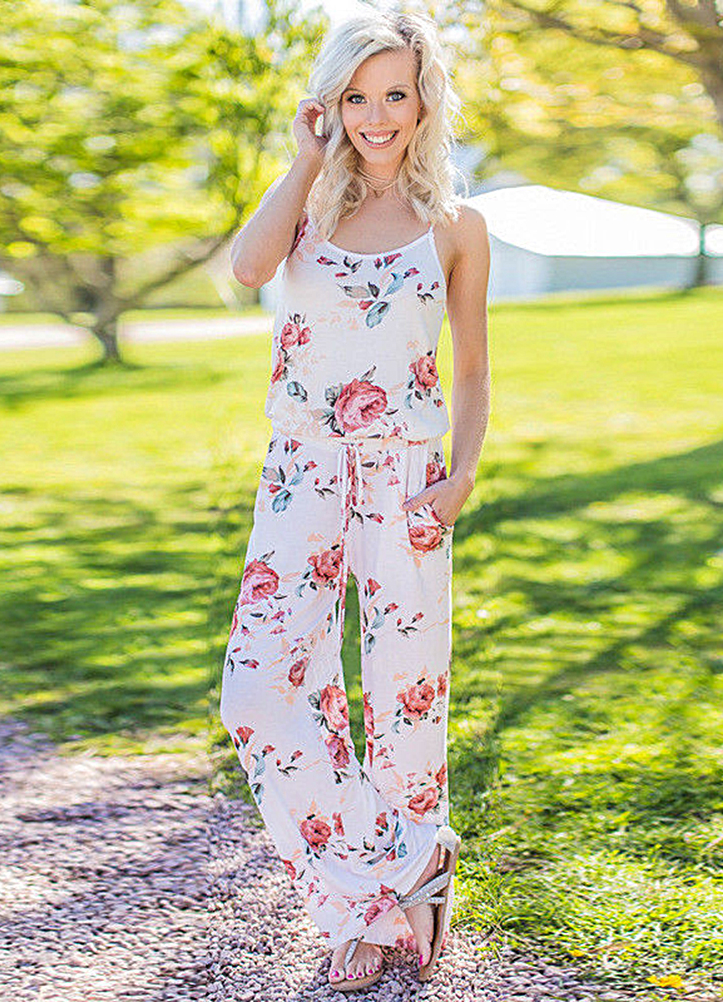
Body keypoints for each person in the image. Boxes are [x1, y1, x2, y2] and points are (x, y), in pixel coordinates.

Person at [220, 7, 490, 992]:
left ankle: (370, 912)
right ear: (331, 105)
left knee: (406, 696)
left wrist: (462, 476)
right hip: (302, 468)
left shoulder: (457, 226)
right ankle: (403, 860)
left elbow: (473, 369)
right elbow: (247, 270)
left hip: (408, 477)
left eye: (395, 95)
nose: (377, 116)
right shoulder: (307, 205)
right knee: (259, 690)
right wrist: (304, 159)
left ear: (424, 102)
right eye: (356, 97)